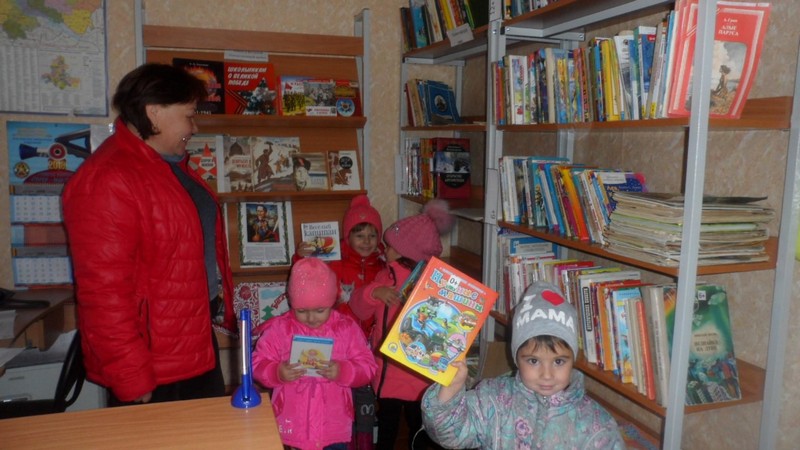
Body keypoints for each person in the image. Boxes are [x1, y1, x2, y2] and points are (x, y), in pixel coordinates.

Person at [62, 63, 236, 405]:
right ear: (154, 112)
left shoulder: (166, 166)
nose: (195, 127)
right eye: (189, 116)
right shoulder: (108, 178)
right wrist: (130, 374)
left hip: (191, 341)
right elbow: (103, 293)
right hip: (154, 362)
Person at [421, 282, 625, 449]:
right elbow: (451, 435)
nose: (547, 375)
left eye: (559, 361)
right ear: (516, 359)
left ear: (573, 359)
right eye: (533, 361)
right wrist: (451, 388)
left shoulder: (596, 425)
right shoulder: (493, 400)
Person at [349, 199, 455, 450]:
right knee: (395, 426)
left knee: (413, 428)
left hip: (414, 374)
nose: (384, 249)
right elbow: (359, 308)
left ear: (404, 251)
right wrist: (374, 292)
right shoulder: (386, 276)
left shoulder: (427, 282)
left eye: (390, 246)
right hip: (393, 372)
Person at [252, 257, 378, 450]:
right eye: (301, 311)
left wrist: (343, 371)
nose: (311, 318)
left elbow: (368, 366)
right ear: (291, 303)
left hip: (334, 425)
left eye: (320, 310)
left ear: (332, 302)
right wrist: (276, 372)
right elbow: (257, 363)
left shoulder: (346, 328)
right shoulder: (280, 329)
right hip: (293, 423)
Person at [293, 194, 386, 450]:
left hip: (366, 344)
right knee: (334, 393)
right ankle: (334, 436)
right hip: (334, 340)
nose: (367, 241)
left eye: (372, 235)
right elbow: (307, 281)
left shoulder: (382, 266)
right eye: (359, 235)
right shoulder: (334, 263)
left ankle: (361, 442)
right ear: (347, 237)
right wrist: (301, 258)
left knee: (363, 398)